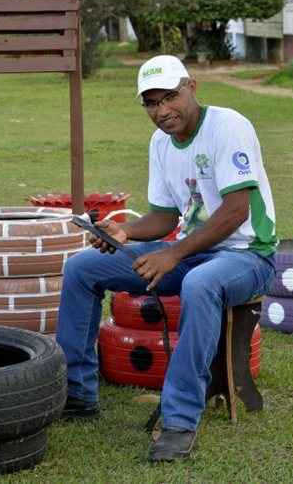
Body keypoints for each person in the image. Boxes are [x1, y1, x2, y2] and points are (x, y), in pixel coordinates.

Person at [56, 55, 278, 462]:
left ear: (192, 86)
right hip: (192, 253)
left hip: (248, 256)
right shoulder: (160, 143)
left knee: (200, 283)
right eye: (151, 103)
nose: (162, 111)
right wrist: (124, 231)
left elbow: (235, 212)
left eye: (170, 97)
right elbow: (164, 217)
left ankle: (179, 421)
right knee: (81, 268)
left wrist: (173, 254)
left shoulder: (228, 126)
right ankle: (76, 393)